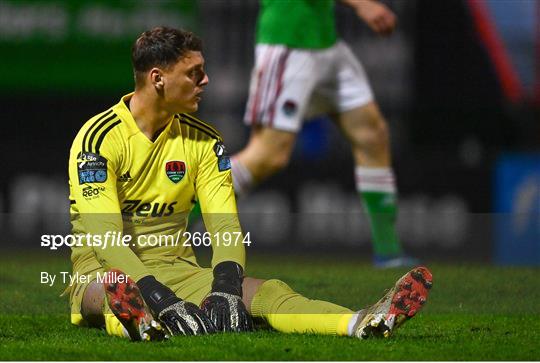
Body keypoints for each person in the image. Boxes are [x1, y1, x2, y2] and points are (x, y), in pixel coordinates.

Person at [67, 26, 432, 341]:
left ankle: (360, 322)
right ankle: (138, 319)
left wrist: (225, 285)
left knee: (266, 291)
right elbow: (105, 239)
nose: (205, 80)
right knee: (116, 294)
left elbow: (224, 223)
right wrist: (154, 293)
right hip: (104, 271)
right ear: (158, 78)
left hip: (179, 271)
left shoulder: (206, 141)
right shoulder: (98, 139)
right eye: (194, 72)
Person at [230, 0, 415, 268]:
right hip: (288, 42)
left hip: (326, 43)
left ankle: (388, 251)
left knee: (372, 135)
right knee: (268, 156)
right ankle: (176, 222)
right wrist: (362, 4)